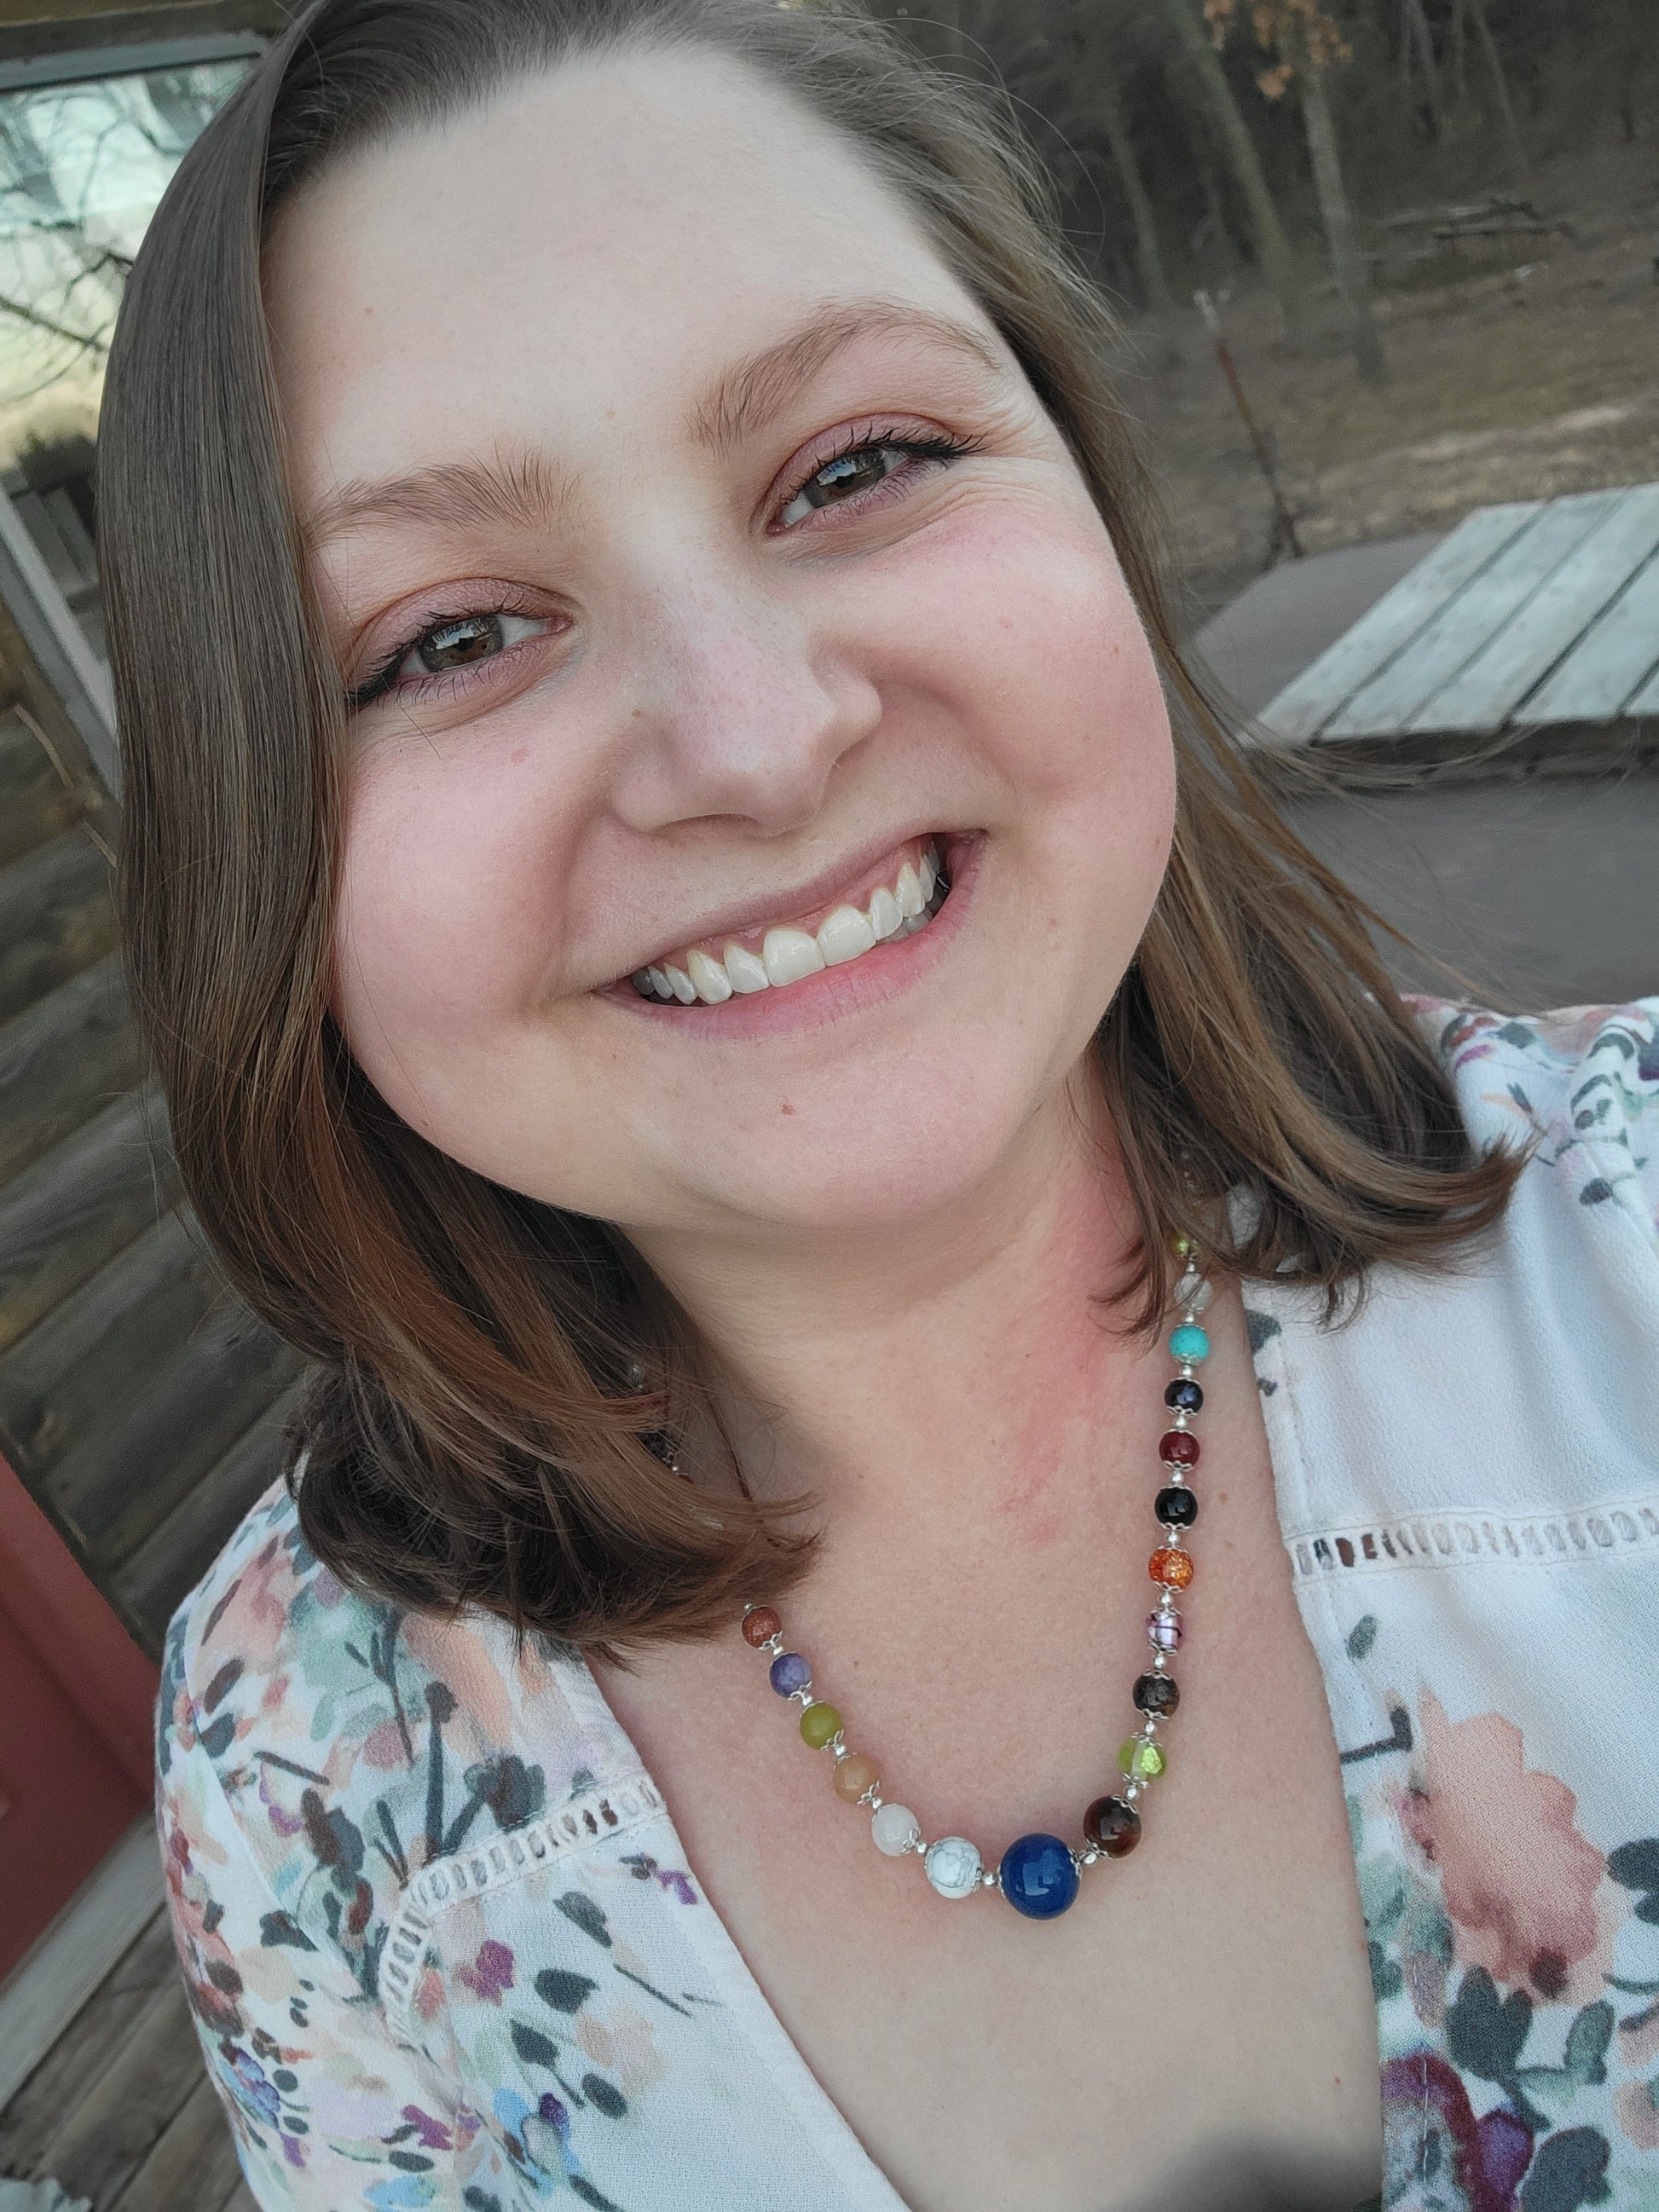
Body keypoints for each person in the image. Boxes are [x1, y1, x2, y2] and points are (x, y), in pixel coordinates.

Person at [96, 3, 1659, 2207]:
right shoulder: (299, 1771)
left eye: (854, 467)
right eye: (446, 637)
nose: (752, 741)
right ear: (255, 839)